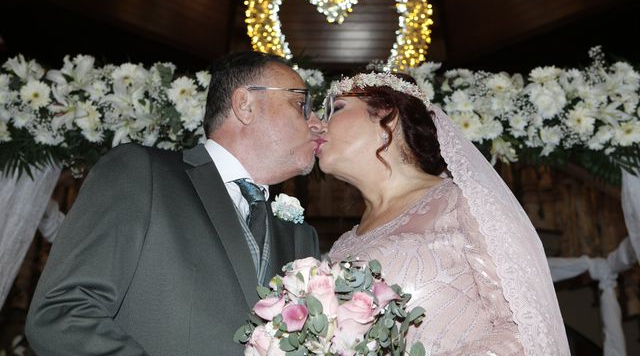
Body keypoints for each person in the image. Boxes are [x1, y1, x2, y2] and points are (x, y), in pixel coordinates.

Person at [25, 51, 322, 355]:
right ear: (245, 104)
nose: (317, 124)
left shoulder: (299, 236)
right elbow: (62, 313)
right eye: (301, 105)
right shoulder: (142, 174)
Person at [317, 72, 570, 356]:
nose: (317, 125)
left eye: (336, 108)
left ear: (388, 115)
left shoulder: (464, 205)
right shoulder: (342, 246)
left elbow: (528, 330)